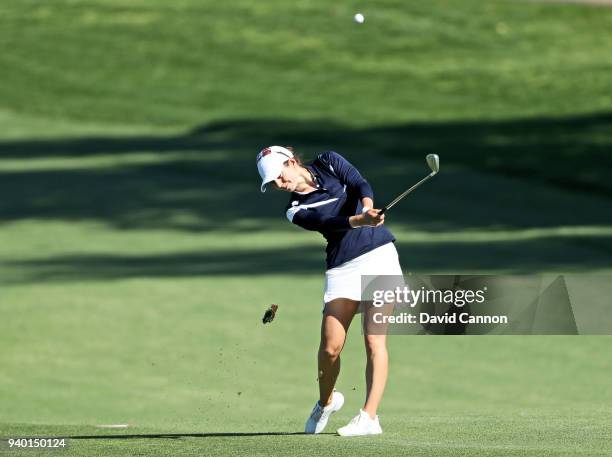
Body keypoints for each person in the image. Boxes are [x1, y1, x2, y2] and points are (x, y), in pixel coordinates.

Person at [256, 145, 403, 437]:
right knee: (330, 347)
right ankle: (327, 401)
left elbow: (359, 181)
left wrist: (366, 205)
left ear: (293, 162)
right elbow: (330, 223)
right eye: (272, 182)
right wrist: (362, 220)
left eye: (279, 175)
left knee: (375, 341)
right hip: (343, 268)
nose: (278, 184)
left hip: (380, 256)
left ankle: (370, 417)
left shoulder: (329, 161)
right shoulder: (294, 210)